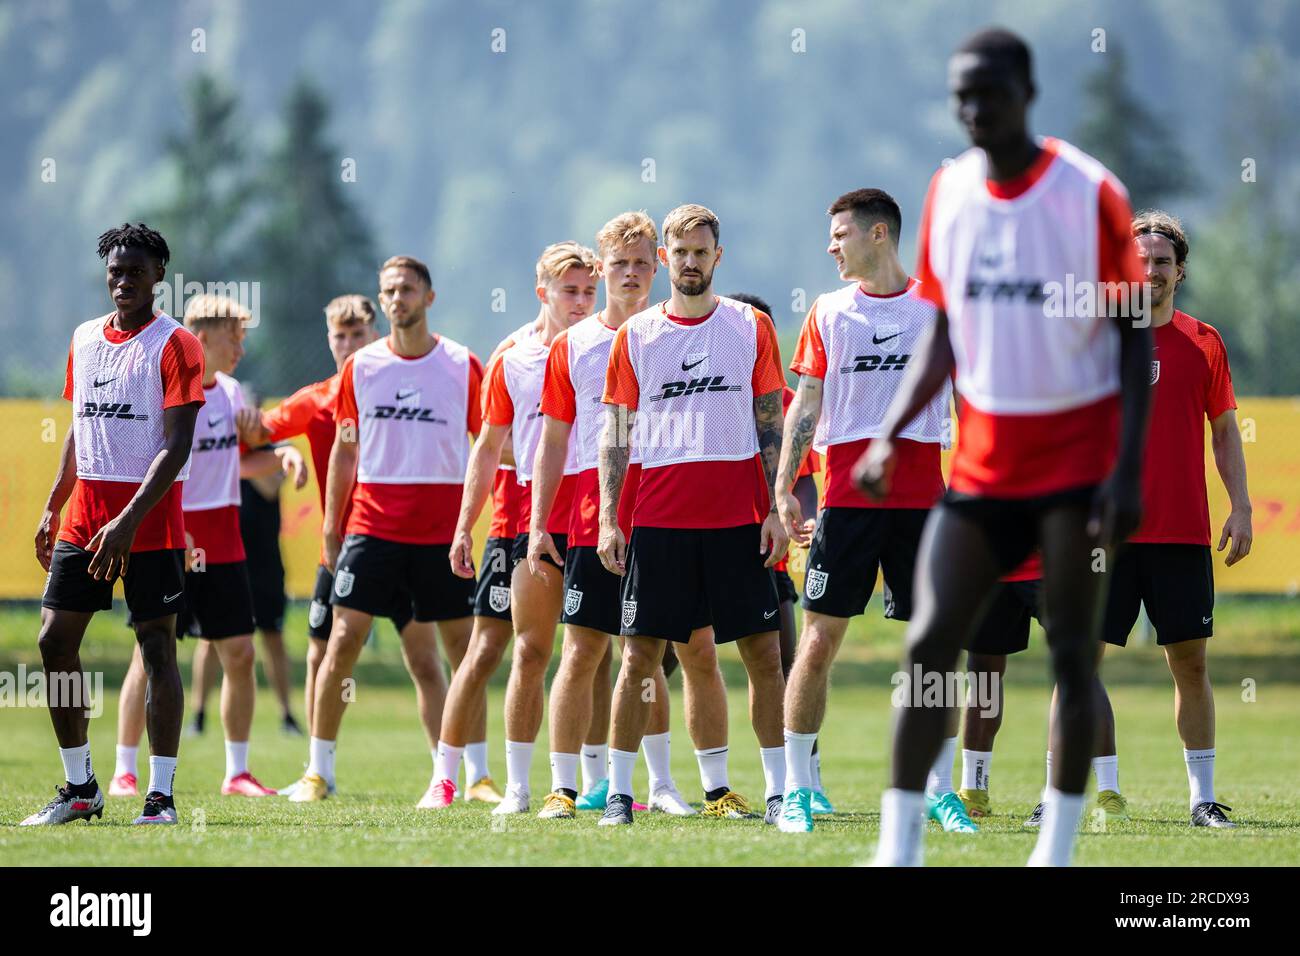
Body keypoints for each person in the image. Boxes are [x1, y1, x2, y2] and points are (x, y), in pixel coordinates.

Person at [858, 29, 1151, 866]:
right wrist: (887, 433)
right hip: (982, 472)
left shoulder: (1089, 192)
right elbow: (942, 331)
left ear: (1027, 91)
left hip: (1073, 472)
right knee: (928, 646)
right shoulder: (950, 190)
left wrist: (1124, 472)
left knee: (1069, 653)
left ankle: (1054, 848)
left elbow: (1133, 334)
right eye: (961, 95)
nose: (973, 109)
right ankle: (899, 844)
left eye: (988, 92)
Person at [769, 191, 961, 834]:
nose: (832, 245)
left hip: (924, 505)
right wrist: (786, 482)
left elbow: (973, 400)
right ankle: (798, 790)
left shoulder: (937, 305)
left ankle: (940, 788)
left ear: (880, 234)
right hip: (847, 505)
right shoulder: (828, 311)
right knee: (818, 643)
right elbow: (807, 401)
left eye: (841, 233)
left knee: (933, 648)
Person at [597, 203, 790, 826]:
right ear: (664, 259)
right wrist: (608, 517)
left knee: (763, 654)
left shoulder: (751, 326)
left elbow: (770, 421)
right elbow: (616, 432)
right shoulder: (636, 336)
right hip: (660, 523)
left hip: (738, 520)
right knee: (638, 658)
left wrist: (776, 505)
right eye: (678, 253)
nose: (688, 263)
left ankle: (780, 793)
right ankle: (621, 796)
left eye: (700, 253)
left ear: (717, 257)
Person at [284, 256, 482, 803]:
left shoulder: (462, 364)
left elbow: (488, 447)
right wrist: (331, 529)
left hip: (439, 533)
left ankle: (467, 774)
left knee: (452, 653)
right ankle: (317, 771)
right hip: (371, 529)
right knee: (340, 644)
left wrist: (470, 521)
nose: (398, 299)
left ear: (429, 297)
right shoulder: (362, 368)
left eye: (408, 290)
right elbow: (345, 452)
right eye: (390, 290)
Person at [25, 223, 203, 827]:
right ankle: (80, 788)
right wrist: (55, 502)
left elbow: (177, 446)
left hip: (148, 519)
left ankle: (160, 797)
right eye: (115, 270)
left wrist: (127, 523)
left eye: (136, 270)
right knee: (53, 640)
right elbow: (81, 425)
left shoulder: (176, 345)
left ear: (158, 277)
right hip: (86, 516)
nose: (123, 279)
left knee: (156, 646)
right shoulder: (83, 339)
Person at [530, 212, 694, 819]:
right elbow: (552, 440)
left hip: (662, 513)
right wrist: (538, 523)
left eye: (642, 263)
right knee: (580, 653)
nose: (631, 273)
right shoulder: (572, 345)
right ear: (602, 270)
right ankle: (562, 788)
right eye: (619, 264)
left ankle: (660, 785)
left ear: (657, 267)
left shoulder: (676, 331)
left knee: (645, 654)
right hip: (590, 518)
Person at [109, 294, 305, 799]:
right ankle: (125, 770)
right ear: (202, 336)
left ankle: (236, 772)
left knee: (239, 653)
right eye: (232, 336)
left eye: (243, 335)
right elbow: (151, 469)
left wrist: (282, 456)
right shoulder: (172, 390)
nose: (241, 345)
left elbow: (240, 462)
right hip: (173, 538)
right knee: (150, 655)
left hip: (225, 542)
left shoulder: (235, 393)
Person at [446, 241, 599, 814]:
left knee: (596, 651)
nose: (582, 302)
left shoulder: (610, 346)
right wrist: (465, 527)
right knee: (529, 652)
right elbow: (487, 448)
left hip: (595, 513)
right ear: (543, 293)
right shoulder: (513, 357)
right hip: (533, 519)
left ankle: (601, 783)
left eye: (590, 291)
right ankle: (514, 786)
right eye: (570, 291)